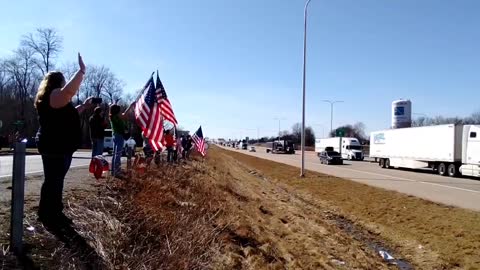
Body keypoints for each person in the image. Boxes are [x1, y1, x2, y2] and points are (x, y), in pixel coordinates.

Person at [35, 53, 92, 230]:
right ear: (57, 82)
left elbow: (67, 109)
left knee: (55, 180)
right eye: (63, 81)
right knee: (53, 180)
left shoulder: (55, 99)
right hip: (55, 146)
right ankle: (48, 214)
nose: (65, 83)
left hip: (59, 146)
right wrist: (81, 71)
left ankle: (53, 212)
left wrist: (83, 106)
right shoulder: (54, 94)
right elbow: (68, 92)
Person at [109, 102, 135, 178]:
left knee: (115, 153)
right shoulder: (115, 118)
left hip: (115, 135)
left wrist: (130, 106)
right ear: (116, 111)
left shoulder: (113, 117)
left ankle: (114, 170)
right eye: (119, 110)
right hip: (118, 135)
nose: (121, 112)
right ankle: (117, 170)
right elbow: (123, 117)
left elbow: (124, 115)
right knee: (118, 153)